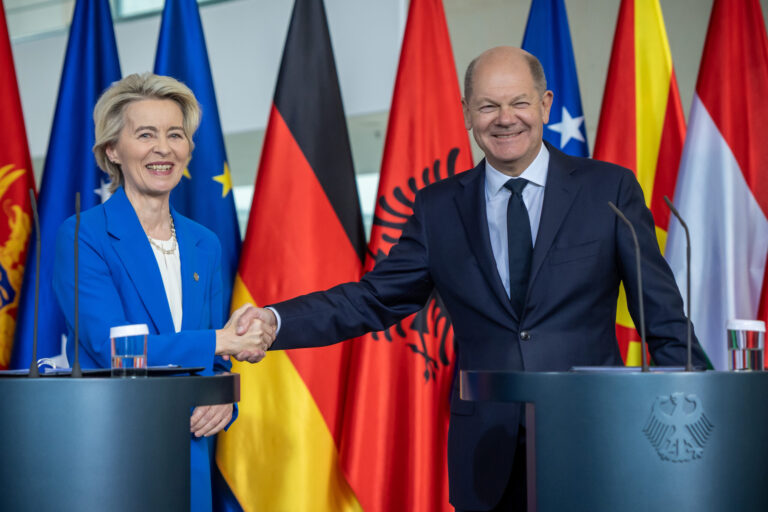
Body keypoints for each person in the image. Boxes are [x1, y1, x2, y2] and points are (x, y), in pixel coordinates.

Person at [236, 47, 707, 511]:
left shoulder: (609, 189)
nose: (505, 118)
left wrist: (700, 423)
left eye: (519, 102)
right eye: (488, 105)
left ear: (544, 104)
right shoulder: (438, 207)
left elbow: (662, 318)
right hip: (486, 457)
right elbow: (372, 299)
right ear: (467, 113)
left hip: (593, 442)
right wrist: (276, 321)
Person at [52, 73, 274, 511]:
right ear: (112, 150)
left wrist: (222, 398)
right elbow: (116, 350)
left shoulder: (204, 242)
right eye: (146, 134)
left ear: (189, 148)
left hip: (188, 452)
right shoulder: (82, 235)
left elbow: (213, 364)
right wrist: (222, 340)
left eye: (176, 134)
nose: (163, 148)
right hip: (114, 453)